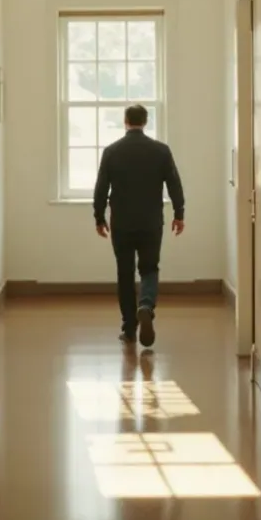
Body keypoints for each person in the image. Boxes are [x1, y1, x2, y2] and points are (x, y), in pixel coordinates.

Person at [92, 104, 185, 348]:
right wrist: (179, 213)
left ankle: (129, 328)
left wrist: (99, 217)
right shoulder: (161, 151)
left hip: (122, 222)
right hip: (151, 221)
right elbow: (174, 184)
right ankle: (145, 304)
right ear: (145, 121)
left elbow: (101, 187)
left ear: (125, 121)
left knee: (124, 273)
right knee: (149, 268)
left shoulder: (112, 152)